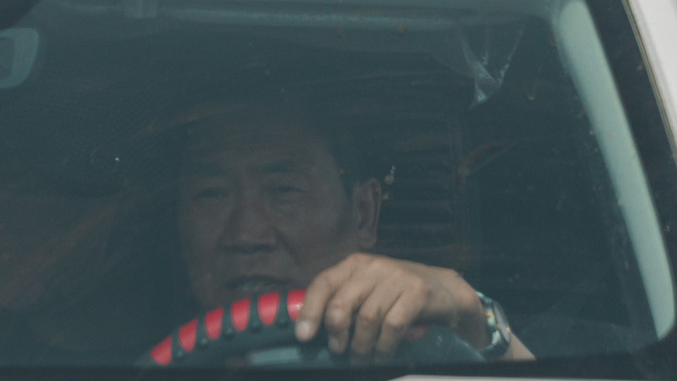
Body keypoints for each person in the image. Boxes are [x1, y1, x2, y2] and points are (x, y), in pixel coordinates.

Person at [178, 97, 530, 364]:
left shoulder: (422, 364)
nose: (246, 235)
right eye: (212, 194)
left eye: (283, 190)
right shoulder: (131, 379)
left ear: (363, 213)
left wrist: (469, 320)